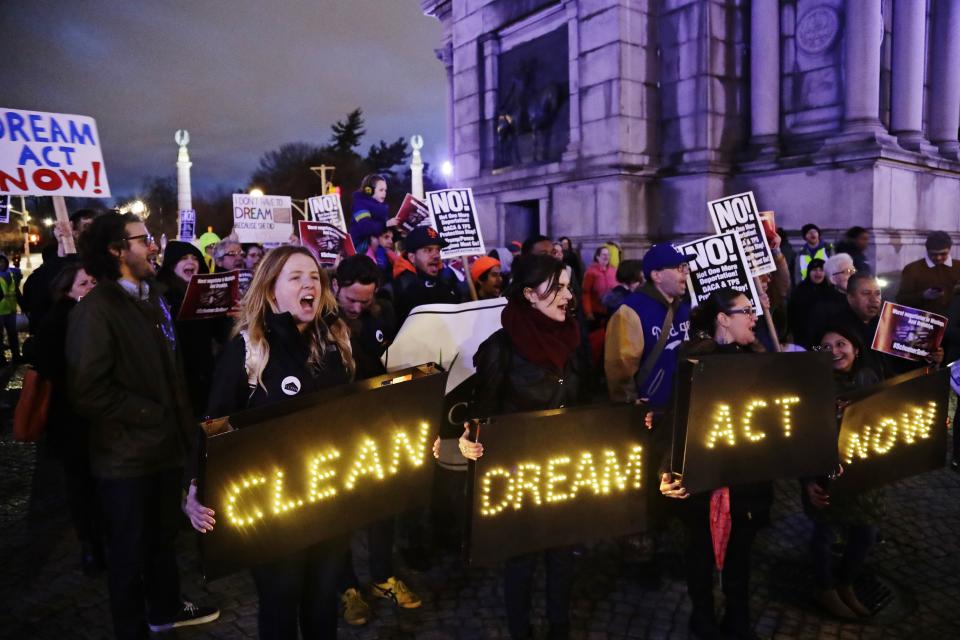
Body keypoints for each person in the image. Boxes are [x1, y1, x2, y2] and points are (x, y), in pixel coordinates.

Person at [185, 245, 354, 639]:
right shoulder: (247, 350)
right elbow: (213, 425)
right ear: (271, 290)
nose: (308, 284)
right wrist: (193, 488)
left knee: (322, 603)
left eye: (314, 277)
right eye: (295, 278)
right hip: (273, 509)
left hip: (332, 500)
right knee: (280, 604)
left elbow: (381, 400)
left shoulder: (338, 340)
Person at [65, 213, 219, 638]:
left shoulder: (152, 298)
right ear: (116, 251)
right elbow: (88, 391)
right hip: (126, 458)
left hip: (163, 449)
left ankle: (165, 612)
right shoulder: (96, 311)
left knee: (160, 543)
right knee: (129, 555)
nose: (154, 246)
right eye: (143, 239)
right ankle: (132, 628)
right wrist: (154, 414)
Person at [459, 253, 581, 639]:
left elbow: (587, 400)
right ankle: (520, 629)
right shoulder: (501, 350)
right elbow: (481, 416)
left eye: (567, 286)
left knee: (562, 553)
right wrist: (470, 440)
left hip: (565, 470)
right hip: (519, 478)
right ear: (528, 294)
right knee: (522, 561)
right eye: (557, 288)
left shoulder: (575, 338)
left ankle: (559, 625)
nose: (567, 295)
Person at [660, 288, 772, 639]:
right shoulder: (693, 363)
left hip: (747, 481)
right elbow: (677, 419)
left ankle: (738, 619)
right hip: (703, 482)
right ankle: (703, 617)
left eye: (754, 311)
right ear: (723, 318)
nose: (754, 317)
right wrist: (666, 470)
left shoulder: (761, 362)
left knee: (741, 556)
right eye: (746, 311)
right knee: (700, 555)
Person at [329, 256, 420, 625]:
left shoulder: (382, 316)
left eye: (363, 301)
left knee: (383, 506)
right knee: (339, 515)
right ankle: (347, 587)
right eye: (350, 299)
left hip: (378, 428)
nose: (355, 307)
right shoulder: (318, 323)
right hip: (335, 435)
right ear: (335, 287)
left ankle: (383, 577)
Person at [803, 325, 882, 620]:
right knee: (823, 535)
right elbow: (800, 437)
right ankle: (825, 589)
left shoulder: (871, 378)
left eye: (841, 344)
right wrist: (808, 482)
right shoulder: (811, 386)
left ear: (856, 349)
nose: (834, 351)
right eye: (826, 346)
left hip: (865, 473)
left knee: (866, 533)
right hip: (824, 474)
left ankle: (846, 583)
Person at [35, 263, 102, 575]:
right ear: (66, 291)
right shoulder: (59, 322)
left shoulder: (92, 317)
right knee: (82, 484)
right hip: (72, 419)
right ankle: (91, 545)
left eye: (92, 281)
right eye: (83, 283)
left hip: (89, 417)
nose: (91, 287)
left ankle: (97, 542)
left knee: (91, 483)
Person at [604, 244, 693, 408]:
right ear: (657, 275)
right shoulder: (630, 312)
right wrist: (630, 405)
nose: (685, 272)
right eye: (678, 268)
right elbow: (620, 368)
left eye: (685, 266)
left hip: (684, 404)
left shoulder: (683, 307)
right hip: (651, 411)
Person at [155, 241, 217, 418]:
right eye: (183, 258)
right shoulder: (160, 294)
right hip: (178, 374)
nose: (191, 262)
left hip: (205, 371)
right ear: (172, 265)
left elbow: (218, 333)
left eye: (194, 258)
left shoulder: (207, 291)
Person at [390, 226, 463, 324]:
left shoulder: (448, 281)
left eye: (438, 250)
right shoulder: (398, 288)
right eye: (428, 250)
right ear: (412, 257)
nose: (436, 255)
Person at [896, 230, 960, 316]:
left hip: (954, 322)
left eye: (943, 254)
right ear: (927, 251)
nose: (938, 258)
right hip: (925, 321)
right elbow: (901, 299)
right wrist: (923, 296)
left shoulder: (957, 266)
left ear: (949, 250)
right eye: (933, 254)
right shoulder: (912, 269)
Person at [788, 258, 832, 347]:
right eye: (815, 270)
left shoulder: (830, 291)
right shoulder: (799, 290)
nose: (818, 273)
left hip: (826, 338)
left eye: (821, 270)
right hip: (803, 338)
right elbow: (791, 313)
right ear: (809, 272)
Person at [0, 254, 23, 363]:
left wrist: (23, 306)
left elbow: (16, 292)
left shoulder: (12, 274)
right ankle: (1, 359)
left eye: (3, 261)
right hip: (0, 312)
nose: (1, 264)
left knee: (13, 335)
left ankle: (16, 355)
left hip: (11, 311)